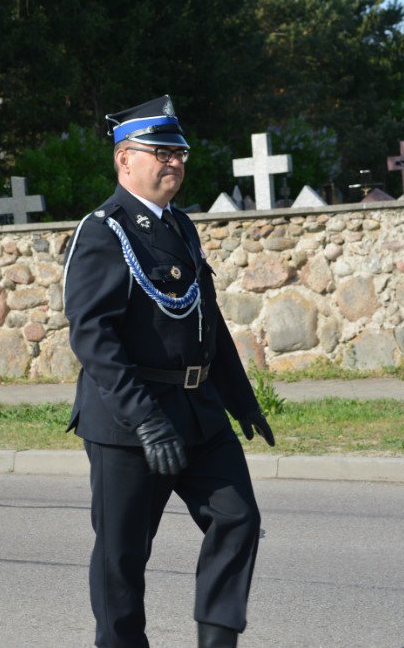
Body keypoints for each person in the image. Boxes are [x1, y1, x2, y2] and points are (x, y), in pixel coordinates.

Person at [62, 95, 275, 648]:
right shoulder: (103, 232)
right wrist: (147, 421)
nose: (173, 162)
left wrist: (241, 400)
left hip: (199, 411)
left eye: (178, 153)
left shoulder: (181, 226)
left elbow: (207, 320)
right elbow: (92, 336)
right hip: (129, 421)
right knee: (122, 556)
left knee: (238, 518)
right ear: (124, 160)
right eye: (159, 152)